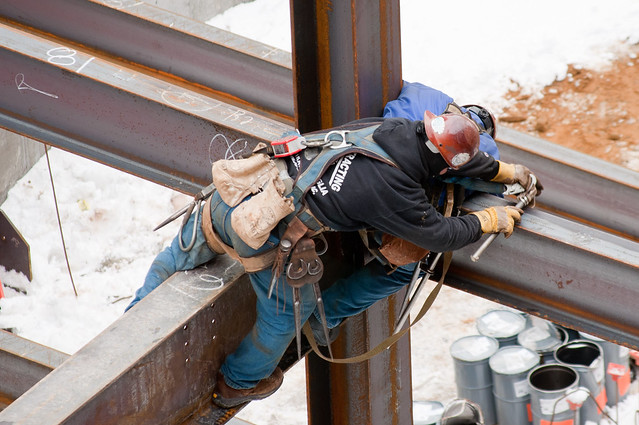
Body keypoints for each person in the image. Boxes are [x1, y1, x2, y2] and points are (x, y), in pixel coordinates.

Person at [126, 81, 543, 408]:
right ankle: (237, 384)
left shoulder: (391, 128)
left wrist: (507, 172)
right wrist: (486, 218)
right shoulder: (397, 191)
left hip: (238, 191)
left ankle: (133, 327)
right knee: (285, 319)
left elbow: (453, 162)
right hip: (266, 234)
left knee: (179, 254)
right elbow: (440, 234)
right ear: (447, 165)